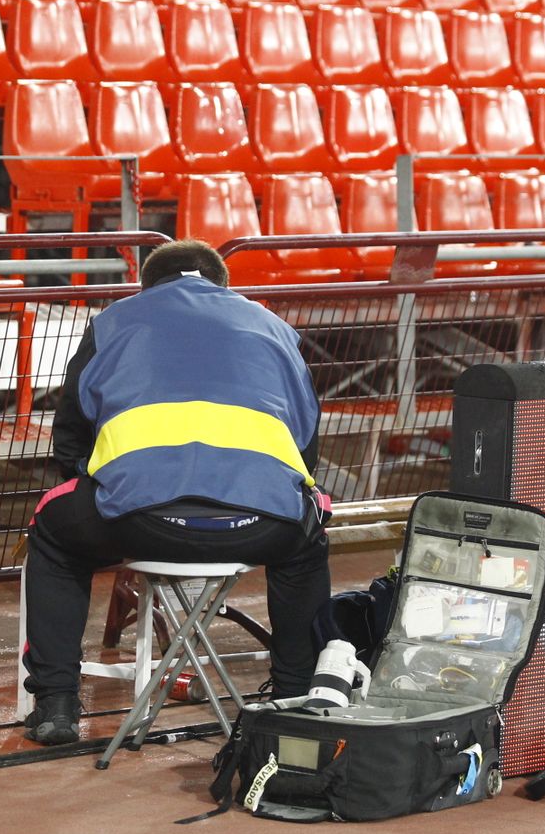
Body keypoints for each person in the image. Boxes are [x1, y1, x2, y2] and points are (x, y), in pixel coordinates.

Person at [21, 239, 332, 745]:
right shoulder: (274, 327)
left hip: (140, 519)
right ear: (221, 283)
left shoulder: (114, 321)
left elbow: (70, 438)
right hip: (261, 524)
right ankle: (295, 700)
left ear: (148, 286)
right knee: (307, 544)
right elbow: (306, 448)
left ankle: (56, 703)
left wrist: (112, 483)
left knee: (54, 535)